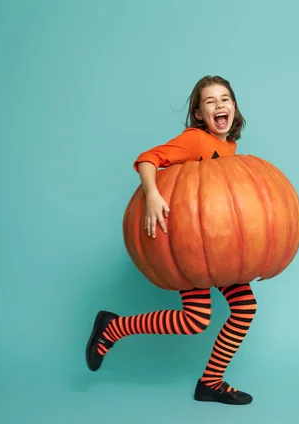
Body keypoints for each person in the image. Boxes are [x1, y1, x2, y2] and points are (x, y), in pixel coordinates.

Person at [85, 75, 256, 405]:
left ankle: (210, 382)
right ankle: (113, 328)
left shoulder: (230, 149)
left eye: (226, 99)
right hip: (188, 244)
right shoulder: (195, 140)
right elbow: (148, 158)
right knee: (196, 320)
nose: (220, 105)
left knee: (243, 307)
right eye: (211, 102)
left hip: (216, 247)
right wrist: (152, 195)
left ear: (234, 107)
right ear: (198, 114)